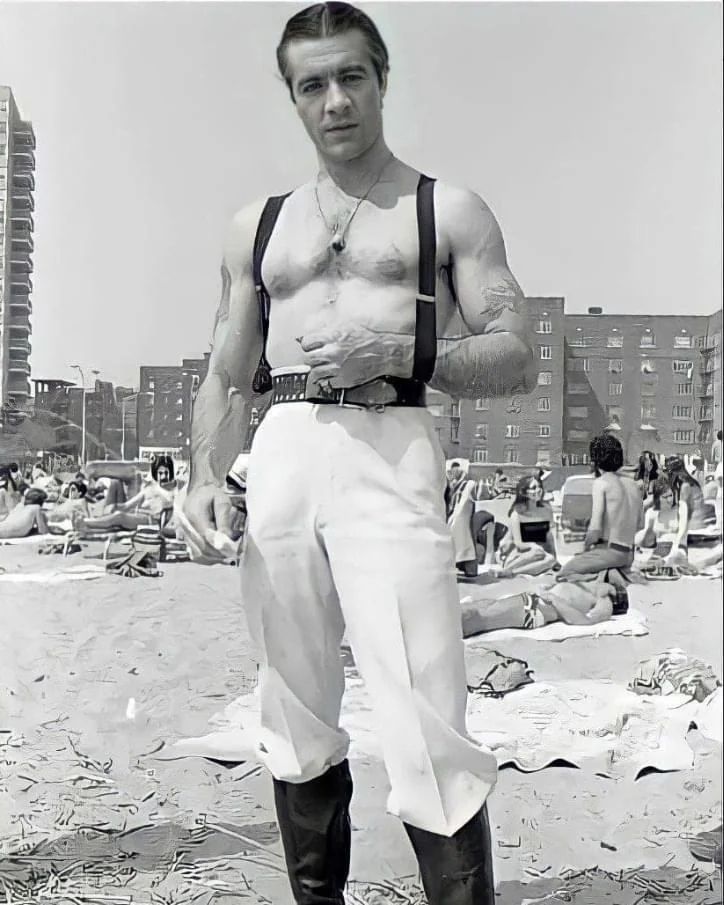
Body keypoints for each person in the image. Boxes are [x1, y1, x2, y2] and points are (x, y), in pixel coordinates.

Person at [179, 4, 537, 903]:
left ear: (382, 79)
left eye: (351, 78)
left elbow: (517, 353)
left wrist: (401, 351)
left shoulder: (442, 208)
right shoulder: (256, 227)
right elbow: (227, 370)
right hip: (286, 449)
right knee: (292, 706)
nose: (335, 100)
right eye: (313, 85)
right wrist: (199, 476)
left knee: (424, 712)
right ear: (293, 98)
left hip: (392, 442)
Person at [558, 434, 643, 581]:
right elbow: (640, 524)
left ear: (595, 459)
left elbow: (595, 528)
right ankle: (610, 573)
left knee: (564, 574)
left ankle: (606, 576)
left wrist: (585, 549)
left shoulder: (601, 483)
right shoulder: (634, 485)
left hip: (609, 551)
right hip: (629, 554)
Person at [461, 577, 616, 638]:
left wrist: (555, 600)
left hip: (536, 609)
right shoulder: (591, 587)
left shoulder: (605, 601)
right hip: (533, 602)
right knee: (478, 607)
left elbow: (584, 621)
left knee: (475, 616)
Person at [496, 473, 557, 576]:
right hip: (517, 554)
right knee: (538, 552)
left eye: (539, 487)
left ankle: (510, 573)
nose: (538, 490)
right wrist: (533, 546)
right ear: (524, 492)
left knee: (550, 559)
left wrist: (555, 557)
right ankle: (508, 569)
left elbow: (549, 537)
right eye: (533, 488)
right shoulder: (517, 514)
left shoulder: (546, 510)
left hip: (539, 553)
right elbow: (519, 543)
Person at [664, 456, 717, 566]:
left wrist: (676, 545)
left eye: (669, 473)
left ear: (673, 473)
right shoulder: (692, 482)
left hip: (695, 533)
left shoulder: (685, 487)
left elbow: (684, 520)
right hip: (701, 529)